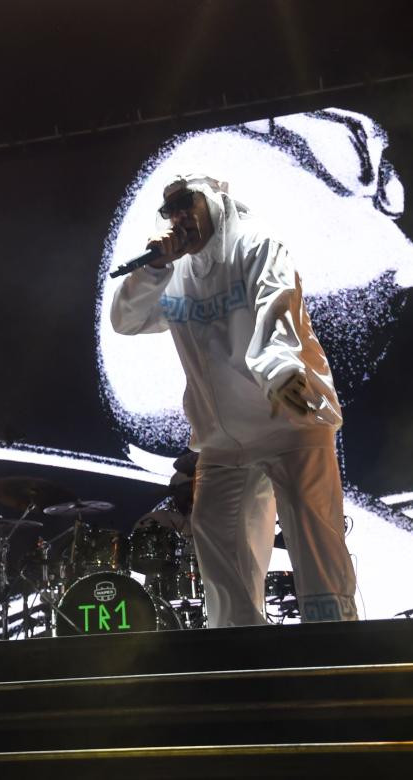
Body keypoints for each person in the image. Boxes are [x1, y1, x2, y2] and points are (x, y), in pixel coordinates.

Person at [110, 174, 357, 626]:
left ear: (215, 200)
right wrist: (153, 269)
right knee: (216, 543)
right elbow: (125, 320)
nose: (179, 217)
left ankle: (337, 655)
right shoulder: (175, 271)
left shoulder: (258, 245)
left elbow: (276, 308)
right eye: (170, 211)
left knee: (315, 545)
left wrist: (280, 372)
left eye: (187, 204)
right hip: (223, 443)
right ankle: (245, 651)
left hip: (289, 420)